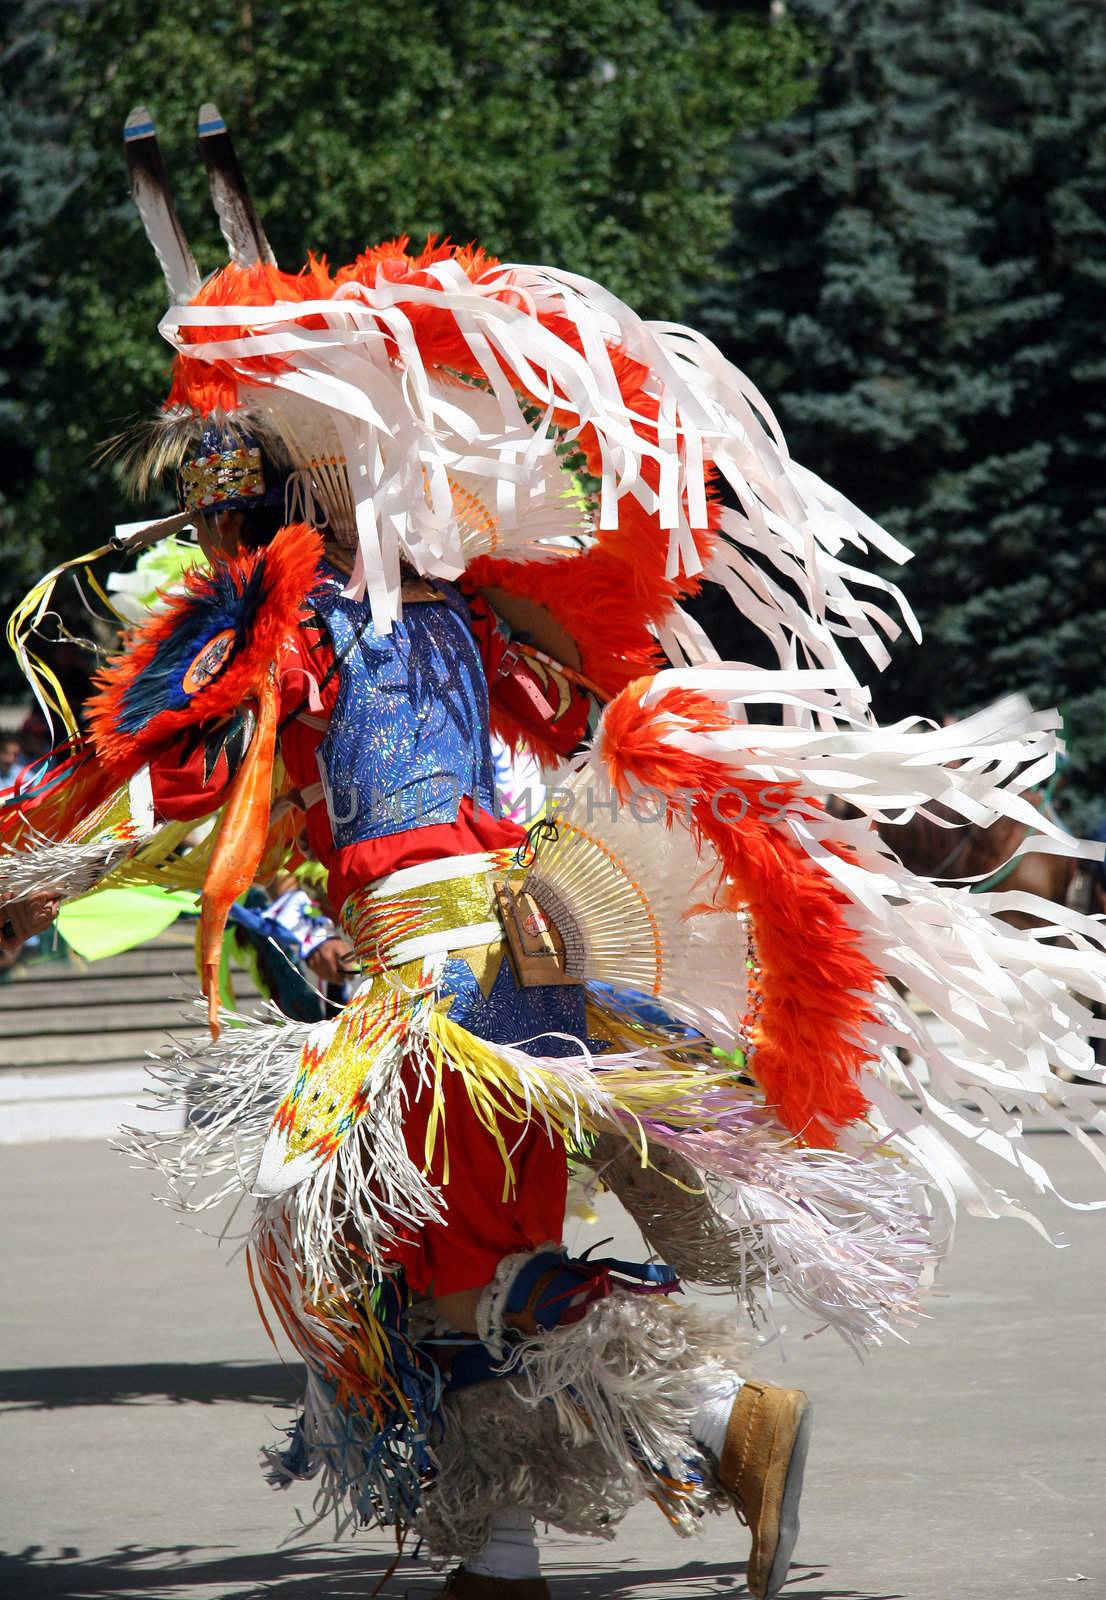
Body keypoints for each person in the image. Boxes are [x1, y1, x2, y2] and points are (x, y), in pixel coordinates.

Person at [3, 107, 1106, 1599]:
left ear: (266, 498)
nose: (201, 520)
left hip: (440, 986)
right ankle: (519, 1545)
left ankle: (724, 1426)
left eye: (218, 493)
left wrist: (35, 856)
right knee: (435, 1271)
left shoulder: (299, 614)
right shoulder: (466, 613)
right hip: (515, 966)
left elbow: (157, 758)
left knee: (455, 1269)